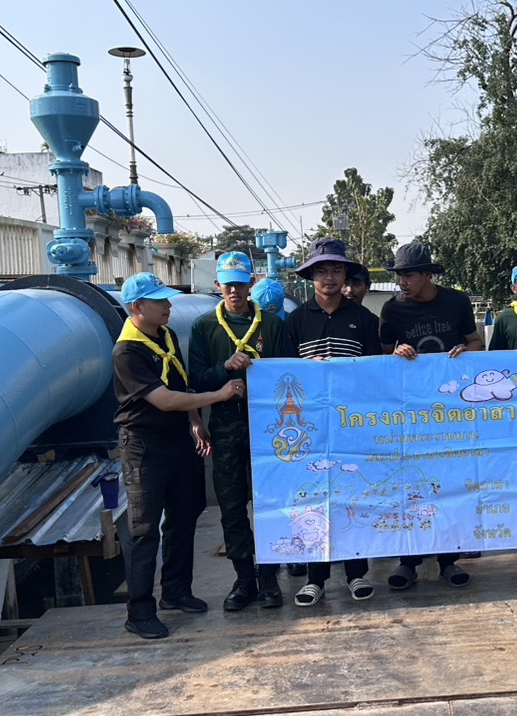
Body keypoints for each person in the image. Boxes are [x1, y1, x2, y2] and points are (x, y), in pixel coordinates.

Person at [114, 272, 246, 640]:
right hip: (144, 446)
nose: (168, 306)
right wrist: (218, 396)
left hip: (178, 439)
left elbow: (180, 384)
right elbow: (163, 399)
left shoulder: (166, 335)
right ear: (137, 307)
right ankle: (140, 611)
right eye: (159, 301)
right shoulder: (128, 352)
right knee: (144, 530)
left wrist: (195, 422)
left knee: (184, 516)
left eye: (167, 300)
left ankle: (176, 590)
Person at [276, 237, 384, 605]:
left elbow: (375, 374)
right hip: (310, 429)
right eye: (322, 271)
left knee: (354, 494)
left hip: (352, 426)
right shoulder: (295, 321)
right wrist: (310, 372)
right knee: (313, 497)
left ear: (345, 275)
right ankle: (315, 578)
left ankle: (357, 573)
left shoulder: (364, 320)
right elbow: (283, 374)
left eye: (336, 270)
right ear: (311, 276)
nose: (329, 277)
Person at [379, 241, 485, 591]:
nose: (402, 282)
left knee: (448, 482)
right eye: (399, 275)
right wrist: (397, 352)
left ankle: (448, 560)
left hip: (451, 411)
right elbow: (381, 358)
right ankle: (407, 561)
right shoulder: (392, 310)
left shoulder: (456, 301)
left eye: (409, 275)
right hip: (409, 413)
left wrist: (464, 351)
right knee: (410, 482)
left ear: (427, 274)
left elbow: (475, 342)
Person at [189, 252, 284, 611]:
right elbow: (196, 379)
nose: (234, 290)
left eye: (240, 284)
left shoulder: (271, 325)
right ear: (217, 285)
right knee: (231, 506)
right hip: (227, 426)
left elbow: (289, 372)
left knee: (270, 503)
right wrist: (224, 369)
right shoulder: (204, 327)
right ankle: (244, 578)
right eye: (227, 284)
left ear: (251, 284)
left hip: (269, 427)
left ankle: (270, 577)